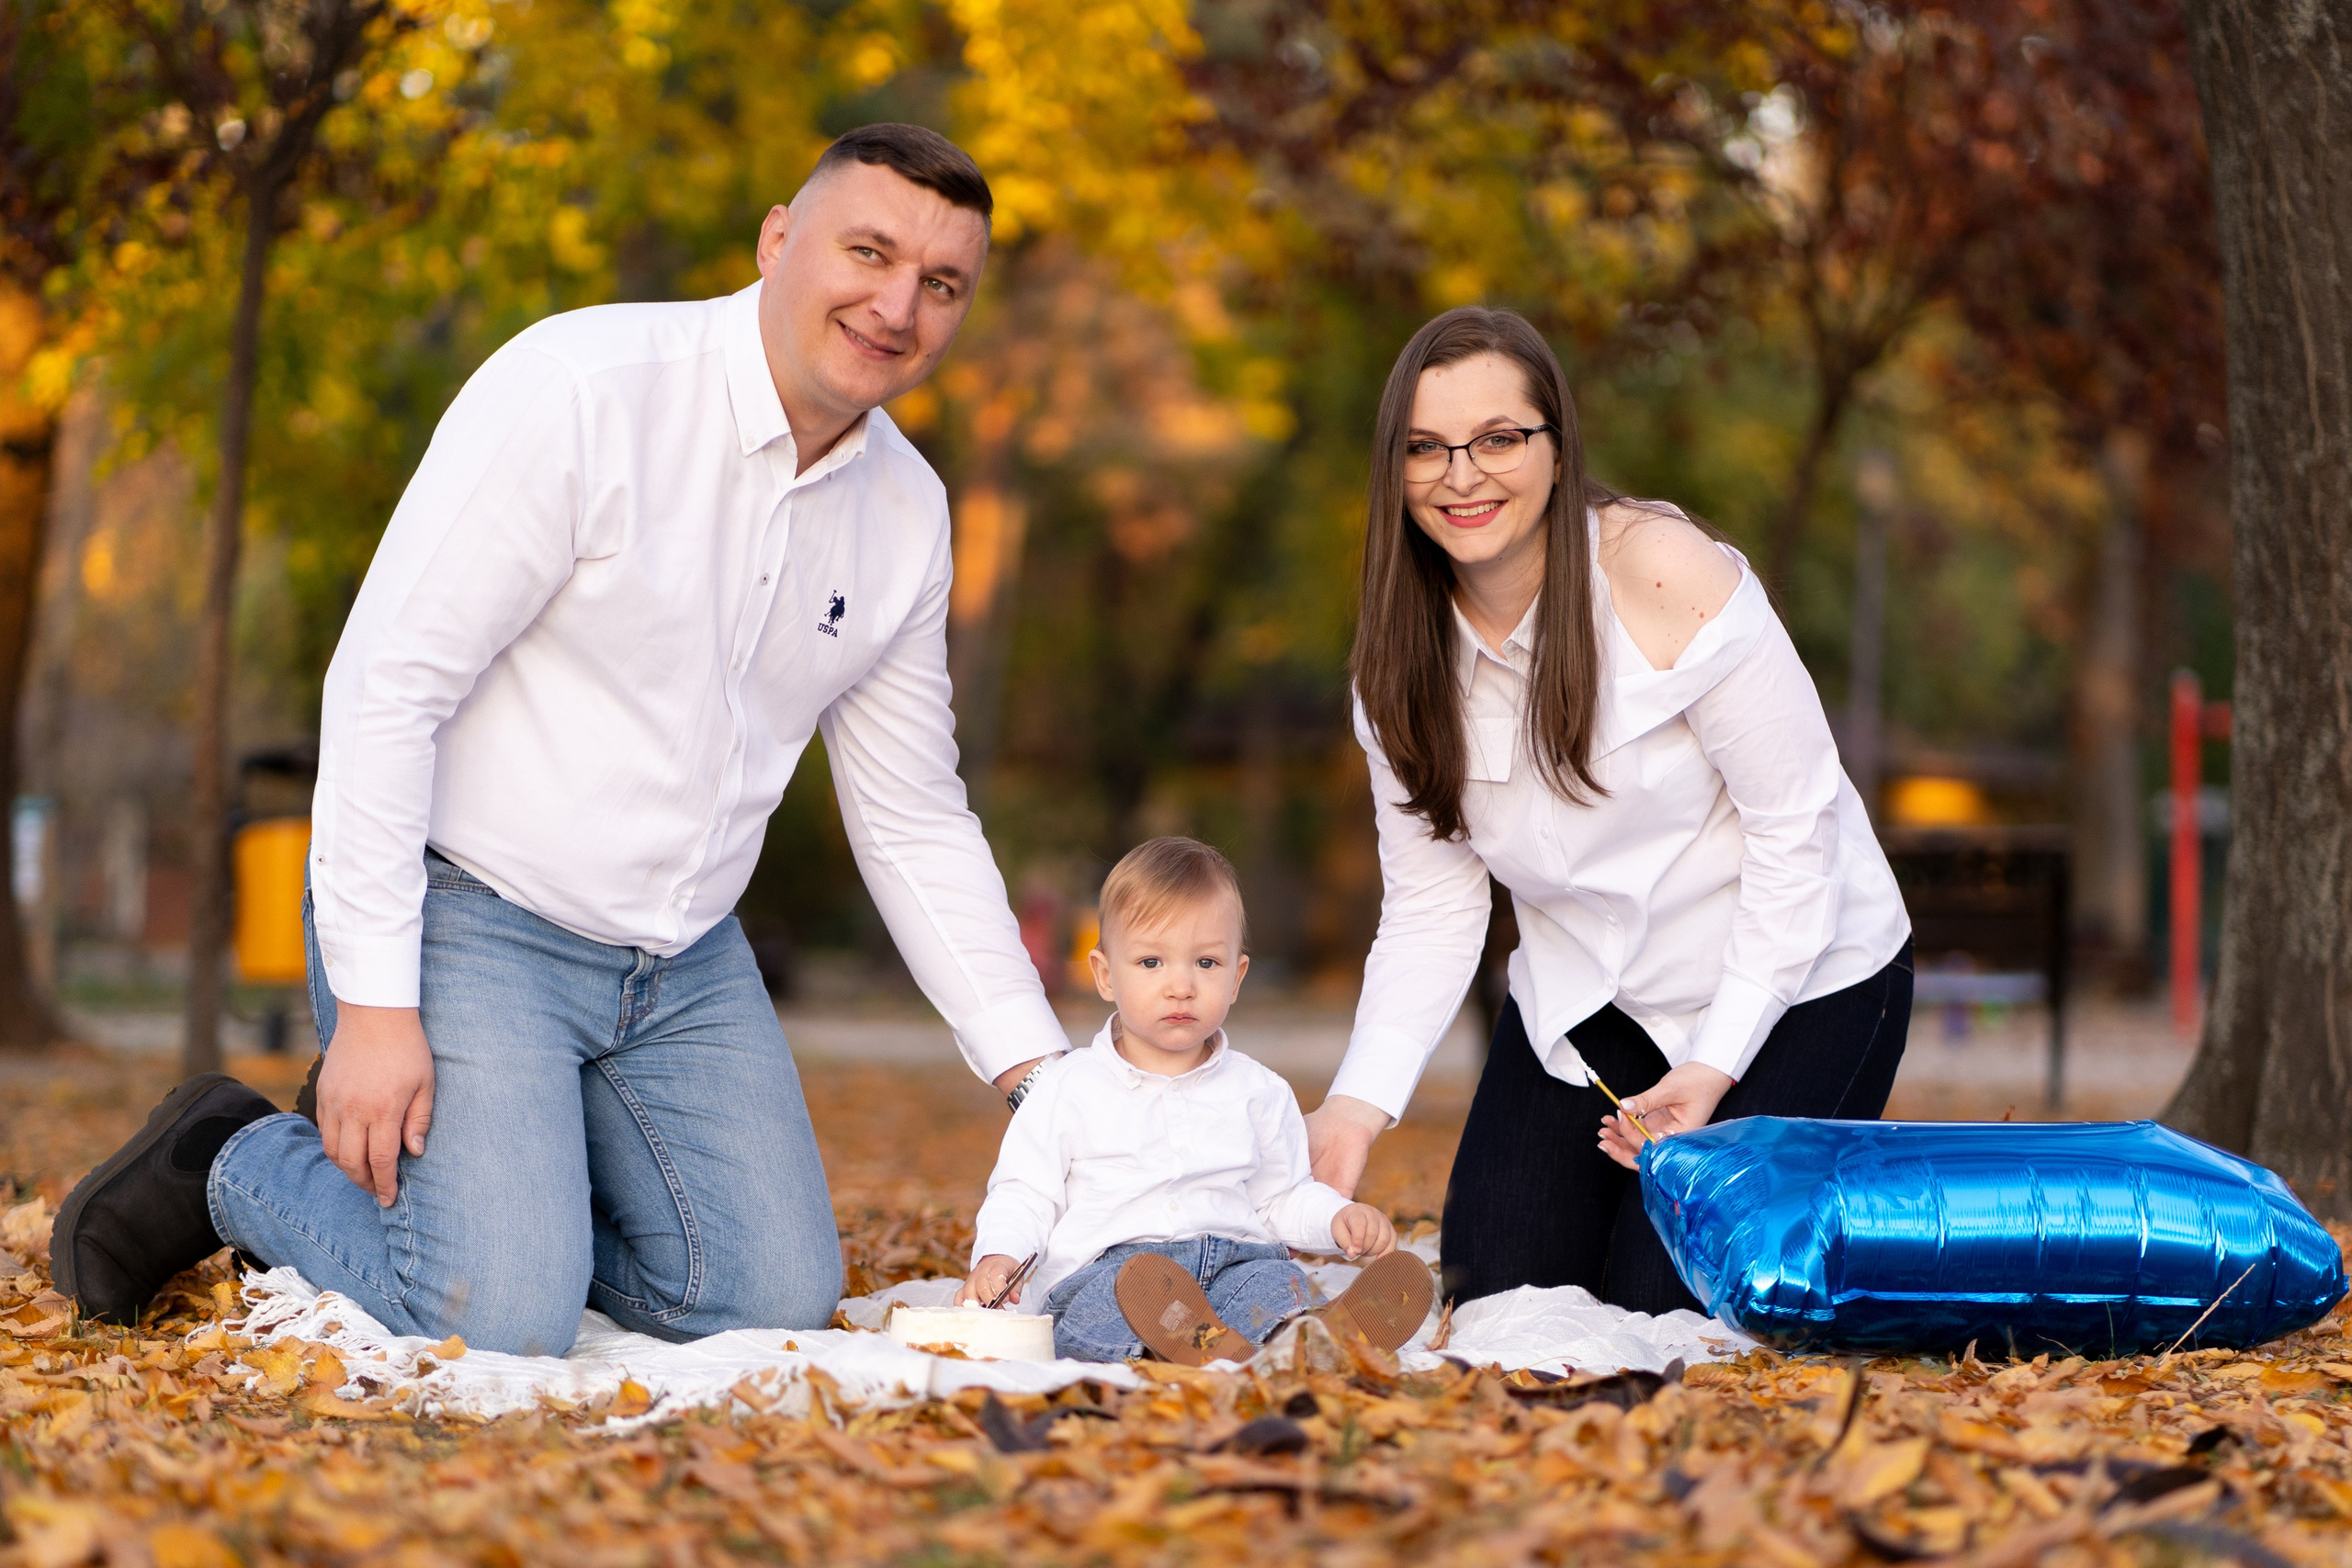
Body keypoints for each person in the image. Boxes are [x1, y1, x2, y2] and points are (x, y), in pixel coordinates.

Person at [51, 125, 1072, 1355]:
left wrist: (1040, 1074)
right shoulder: (584, 386)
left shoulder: (907, 511)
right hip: (466, 912)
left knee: (763, 1300)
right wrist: (375, 1006)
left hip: (682, 966)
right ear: (778, 238)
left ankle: (514, 1189)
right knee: (495, 1312)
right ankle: (232, 1150)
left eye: (942, 283)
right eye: (869, 250)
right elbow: (389, 686)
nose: (896, 304)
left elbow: (911, 811)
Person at [1301, 306, 1915, 1315]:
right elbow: (1432, 906)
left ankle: (1864, 1235)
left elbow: (1795, 828)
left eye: (1498, 439)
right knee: (1497, 1299)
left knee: (1666, 1308)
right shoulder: (1396, 669)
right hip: (1589, 1002)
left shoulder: (1661, 571)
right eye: (1425, 449)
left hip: (1799, 982)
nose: (1462, 475)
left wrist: (1713, 1068)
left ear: (1554, 445)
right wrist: (1355, 1110)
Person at [959, 838, 1433, 1365]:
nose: (1181, 985)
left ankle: (1311, 1339)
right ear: (1105, 975)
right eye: (1151, 962)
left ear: (1237, 977)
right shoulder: (1067, 1089)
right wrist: (999, 1255)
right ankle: (1183, 1344)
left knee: (1275, 1280)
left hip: (1231, 1263)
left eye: (1206, 962)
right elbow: (1025, 1193)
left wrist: (1336, 1219)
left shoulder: (1259, 1092)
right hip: (1114, 1270)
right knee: (1109, 1301)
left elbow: (1280, 1199)